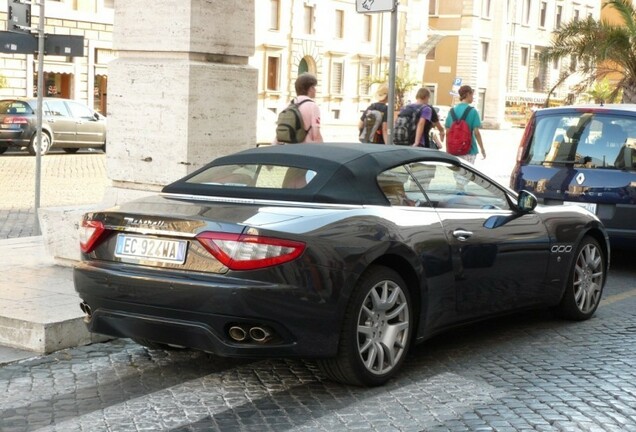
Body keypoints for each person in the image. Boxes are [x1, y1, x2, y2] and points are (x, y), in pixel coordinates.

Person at [445, 85, 486, 162]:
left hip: (454, 150)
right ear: (468, 94)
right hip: (469, 150)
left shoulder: (452, 111)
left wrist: (448, 149)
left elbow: (447, 132)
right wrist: (482, 149)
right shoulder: (473, 111)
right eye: (472, 95)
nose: (473, 98)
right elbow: (476, 132)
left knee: (456, 174)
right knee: (468, 173)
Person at [295, 73, 323, 143]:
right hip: (305, 148)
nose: (315, 90)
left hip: (288, 148)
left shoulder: (289, 104)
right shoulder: (312, 106)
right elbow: (316, 134)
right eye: (314, 87)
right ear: (310, 89)